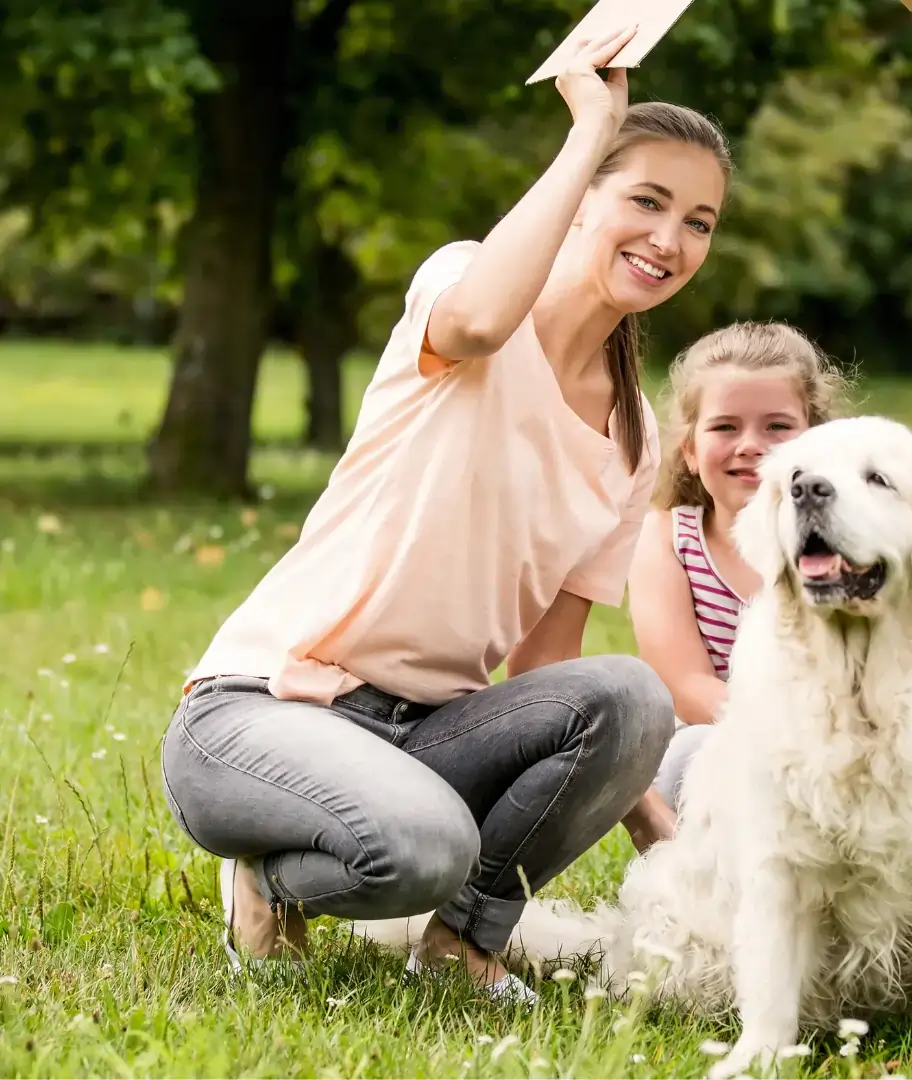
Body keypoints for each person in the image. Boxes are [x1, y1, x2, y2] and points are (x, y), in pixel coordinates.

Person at [158, 28, 733, 1002]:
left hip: (426, 734)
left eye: (700, 221)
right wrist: (588, 128)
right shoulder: (465, 291)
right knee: (422, 850)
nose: (669, 239)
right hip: (263, 711)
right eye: (644, 200)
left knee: (631, 693)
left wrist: (666, 847)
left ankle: (463, 945)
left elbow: (546, 667)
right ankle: (268, 874)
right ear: (583, 193)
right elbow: (478, 320)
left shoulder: (633, 434)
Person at [625, 320, 850, 838]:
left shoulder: (844, 545)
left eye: (776, 427)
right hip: (721, 746)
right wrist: (788, 738)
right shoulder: (668, 539)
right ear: (689, 449)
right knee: (691, 751)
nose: (750, 445)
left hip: (838, 751)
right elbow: (685, 686)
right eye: (725, 427)